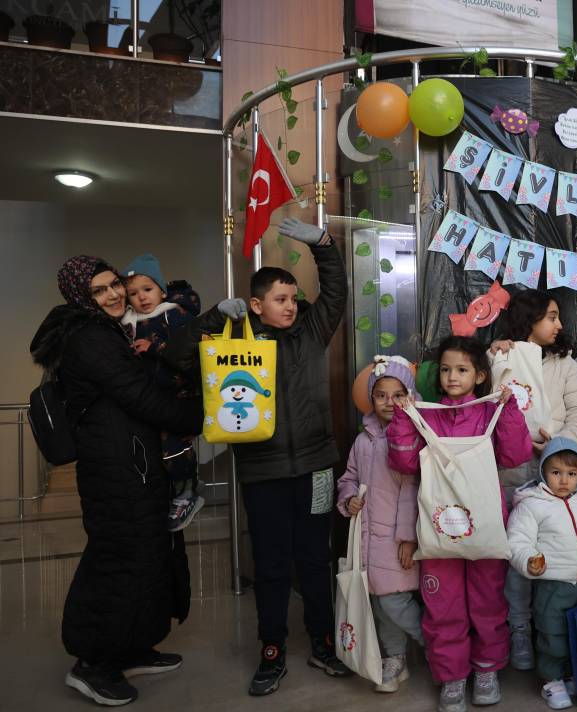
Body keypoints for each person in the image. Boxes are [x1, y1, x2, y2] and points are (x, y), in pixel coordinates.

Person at [165, 217, 349, 696]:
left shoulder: (311, 333)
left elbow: (335, 293)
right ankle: (271, 651)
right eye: (280, 299)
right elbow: (176, 355)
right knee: (269, 564)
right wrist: (210, 318)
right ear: (256, 304)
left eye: (292, 299)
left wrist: (323, 246)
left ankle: (323, 642)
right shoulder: (234, 340)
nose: (291, 306)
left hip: (315, 468)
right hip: (262, 471)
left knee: (315, 560)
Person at [30, 255, 201, 707]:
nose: (112, 295)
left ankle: (128, 648)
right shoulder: (89, 337)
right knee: (119, 561)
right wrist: (198, 417)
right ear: (79, 299)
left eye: (113, 285)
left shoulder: (102, 330)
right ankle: (92, 663)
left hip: (133, 465)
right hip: (115, 470)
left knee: (145, 556)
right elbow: (138, 395)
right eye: (98, 291)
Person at [387, 335, 532, 712]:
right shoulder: (428, 412)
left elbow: (515, 455)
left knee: (487, 600)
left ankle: (486, 669)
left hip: (485, 525)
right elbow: (403, 463)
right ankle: (452, 677)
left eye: (463, 370)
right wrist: (404, 417)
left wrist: (510, 409)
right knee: (443, 603)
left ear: (480, 376)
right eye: (447, 369)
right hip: (438, 528)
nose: (453, 377)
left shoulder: (490, 411)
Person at [490, 289, 577, 671]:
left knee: (558, 552)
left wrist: (562, 445)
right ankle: (519, 629)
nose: (559, 324)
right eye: (551, 316)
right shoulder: (501, 354)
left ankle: (555, 634)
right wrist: (494, 357)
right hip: (513, 472)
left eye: (558, 316)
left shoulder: (564, 363)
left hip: (557, 472)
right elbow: (488, 408)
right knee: (518, 555)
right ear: (529, 319)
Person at [506, 437, 577, 710]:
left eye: (571, 474)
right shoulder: (532, 505)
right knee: (553, 634)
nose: (563, 480)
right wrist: (529, 560)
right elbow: (517, 541)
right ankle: (552, 680)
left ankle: (572, 674)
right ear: (543, 470)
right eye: (556, 472)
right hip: (552, 584)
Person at [336, 355, 425, 692]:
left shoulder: (412, 437)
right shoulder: (363, 440)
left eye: (399, 394)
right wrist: (348, 500)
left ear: (411, 396)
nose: (390, 402)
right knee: (378, 602)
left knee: (394, 601)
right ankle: (395, 659)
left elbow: (412, 491)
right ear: (371, 399)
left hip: (394, 540)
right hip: (367, 540)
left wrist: (407, 539)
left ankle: (437, 644)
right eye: (381, 395)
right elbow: (349, 478)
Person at [121, 253, 204, 531]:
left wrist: (154, 347)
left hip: (178, 395)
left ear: (161, 289)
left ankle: (188, 493)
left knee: (175, 450)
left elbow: (190, 351)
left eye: (147, 289)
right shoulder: (127, 322)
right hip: (148, 399)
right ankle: (170, 496)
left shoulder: (174, 314)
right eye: (133, 293)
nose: (142, 297)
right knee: (152, 454)